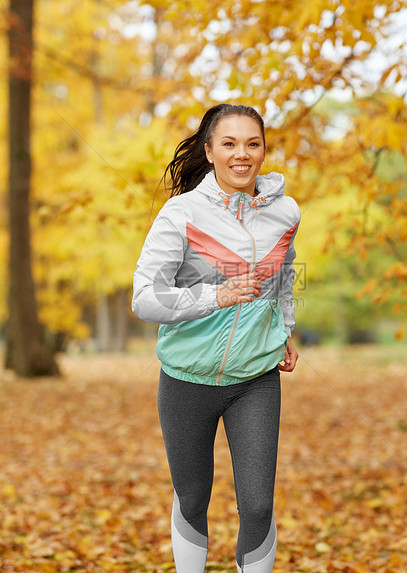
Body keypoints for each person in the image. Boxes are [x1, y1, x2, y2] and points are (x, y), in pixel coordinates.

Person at [132, 103, 300, 573]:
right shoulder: (180, 214)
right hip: (187, 379)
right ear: (209, 151)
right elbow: (144, 298)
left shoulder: (285, 212)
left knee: (258, 506)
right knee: (192, 498)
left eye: (252, 143)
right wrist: (215, 296)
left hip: (255, 378)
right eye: (228, 143)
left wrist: (284, 328)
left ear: (264, 150)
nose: (241, 154)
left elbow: (284, 272)